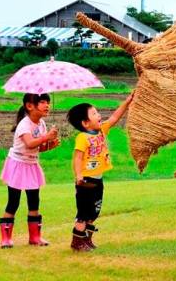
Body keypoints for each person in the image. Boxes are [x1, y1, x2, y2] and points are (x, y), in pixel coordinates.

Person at [66, 92, 134, 251]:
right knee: (83, 212)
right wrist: (78, 175)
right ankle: (77, 242)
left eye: (97, 112)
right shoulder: (82, 138)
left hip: (98, 179)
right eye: (94, 113)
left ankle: (87, 240)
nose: (99, 115)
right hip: (85, 181)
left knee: (94, 212)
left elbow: (115, 118)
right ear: (85, 123)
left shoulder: (102, 130)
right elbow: (77, 158)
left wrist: (127, 102)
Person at [0, 93, 59, 249]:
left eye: (48, 102)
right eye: (43, 102)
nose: (47, 105)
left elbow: (39, 148)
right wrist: (47, 137)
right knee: (14, 202)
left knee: (34, 201)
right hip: (17, 165)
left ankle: (35, 237)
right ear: (30, 106)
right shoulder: (24, 125)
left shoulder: (42, 124)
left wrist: (50, 145)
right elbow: (30, 143)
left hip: (31, 164)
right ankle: (6, 239)